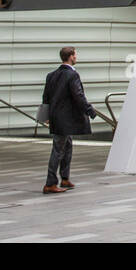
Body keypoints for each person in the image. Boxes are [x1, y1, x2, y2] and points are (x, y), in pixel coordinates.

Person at [41, 46, 97, 193]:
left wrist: (45, 116)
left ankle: (65, 178)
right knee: (58, 149)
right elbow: (78, 95)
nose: (76, 57)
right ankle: (50, 183)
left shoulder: (51, 75)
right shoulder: (72, 75)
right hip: (65, 119)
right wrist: (90, 110)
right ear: (71, 56)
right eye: (75, 55)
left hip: (56, 118)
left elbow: (45, 97)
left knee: (67, 146)